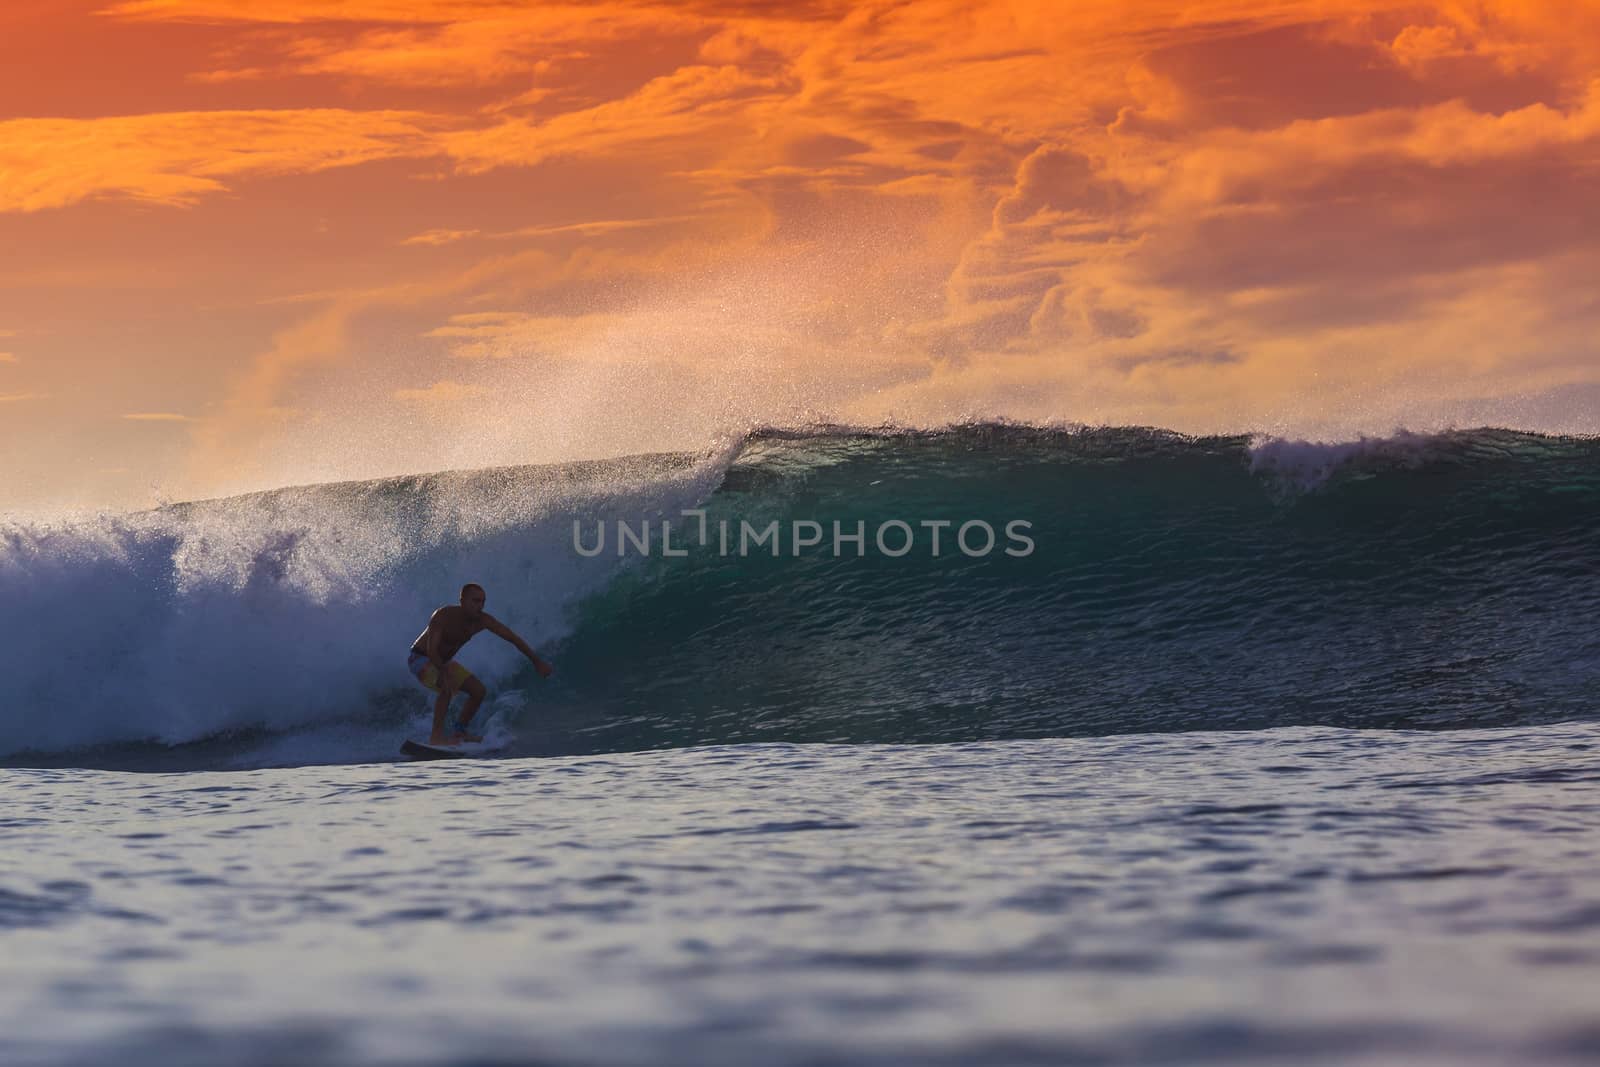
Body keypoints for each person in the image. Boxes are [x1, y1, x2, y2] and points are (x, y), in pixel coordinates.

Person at [408, 583, 553, 746]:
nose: (480, 606)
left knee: (478, 691)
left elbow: (513, 638)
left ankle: (460, 731)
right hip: (420, 658)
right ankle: (436, 738)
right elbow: (432, 650)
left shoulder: (483, 621)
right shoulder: (443, 615)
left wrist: (537, 661)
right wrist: (443, 672)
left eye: (483, 602)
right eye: (475, 601)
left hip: (443, 662)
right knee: (446, 687)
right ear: (462, 601)